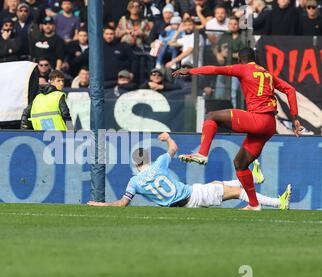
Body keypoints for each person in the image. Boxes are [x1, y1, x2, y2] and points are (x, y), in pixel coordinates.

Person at [171, 47, 302, 211]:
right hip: (269, 125)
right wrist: (295, 118)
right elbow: (290, 89)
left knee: (211, 116)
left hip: (257, 119)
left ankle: (202, 153)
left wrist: (190, 71)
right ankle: (254, 204)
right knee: (240, 164)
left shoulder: (243, 68)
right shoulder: (267, 74)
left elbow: (214, 69)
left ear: (240, 59)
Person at [88, 132, 292, 210]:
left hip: (185, 200)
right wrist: (167, 138)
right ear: (148, 158)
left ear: (135, 164)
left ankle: (253, 177)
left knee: (215, 184)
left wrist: (100, 204)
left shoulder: (134, 182)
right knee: (239, 194)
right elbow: (174, 149)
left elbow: (122, 203)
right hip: (192, 196)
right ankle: (278, 203)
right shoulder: (159, 163)